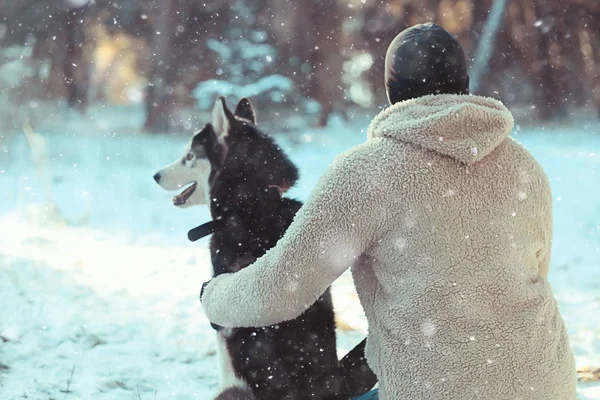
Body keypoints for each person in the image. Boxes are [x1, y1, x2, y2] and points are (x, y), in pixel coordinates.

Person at [200, 22, 577, 399]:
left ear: (391, 91)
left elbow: (280, 290)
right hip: (546, 384)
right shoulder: (524, 165)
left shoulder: (365, 174)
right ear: (464, 82)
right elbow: (533, 272)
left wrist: (215, 296)